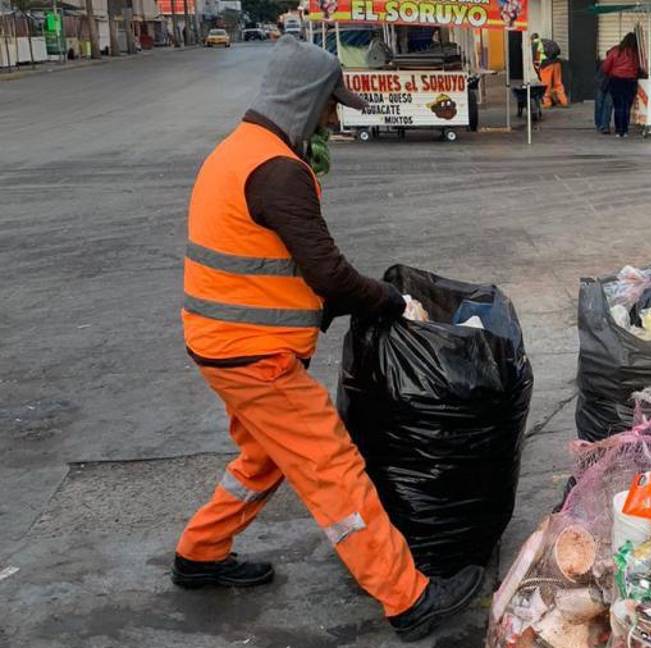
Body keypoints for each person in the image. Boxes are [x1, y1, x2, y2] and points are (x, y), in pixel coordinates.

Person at [171, 37, 483, 643]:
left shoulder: (238, 151)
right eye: (328, 107)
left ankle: (199, 554)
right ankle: (409, 598)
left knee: (264, 458)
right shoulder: (278, 172)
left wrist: (342, 306)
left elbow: (277, 268)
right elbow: (328, 273)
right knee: (333, 469)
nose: (332, 119)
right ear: (305, 101)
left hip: (220, 345)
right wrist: (393, 303)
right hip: (255, 357)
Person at [601, 33, 643, 137]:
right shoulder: (636, 54)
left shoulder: (615, 50)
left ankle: (619, 130)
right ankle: (625, 130)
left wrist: (611, 73)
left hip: (616, 80)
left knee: (618, 106)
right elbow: (640, 67)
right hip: (630, 81)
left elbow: (605, 66)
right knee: (626, 106)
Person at [532, 33, 568, 108]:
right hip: (557, 63)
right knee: (558, 83)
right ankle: (564, 101)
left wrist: (538, 72)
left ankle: (547, 103)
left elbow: (536, 60)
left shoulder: (536, 44)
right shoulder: (545, 41)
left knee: (546, 85)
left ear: (532, 39)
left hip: (546, 65)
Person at [594, 59, 613, 134]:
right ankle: (603, 125)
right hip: (605, 83)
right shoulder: (605, 65)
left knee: (601, 104)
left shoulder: (603, 64)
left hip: (604, 83)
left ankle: (602, 125)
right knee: (607, 105)